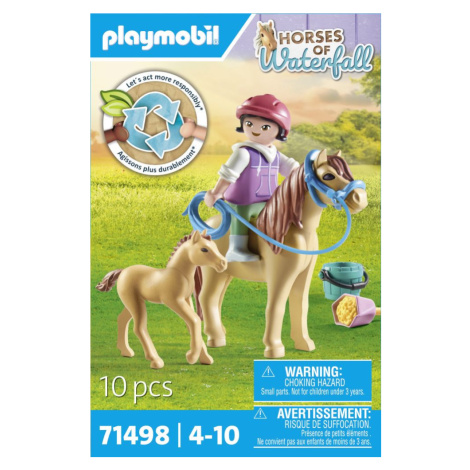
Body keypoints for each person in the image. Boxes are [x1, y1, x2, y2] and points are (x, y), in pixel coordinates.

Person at [204, 94, 299, 262]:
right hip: (242, 201)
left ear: (280, 130)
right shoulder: (243, 153)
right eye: (249, 123)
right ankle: (236, 248)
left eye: (265, 127)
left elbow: (292, 169)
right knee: (242, 215)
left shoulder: (275, 155)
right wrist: (217, 192)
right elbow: (228, 175)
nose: (255, 129)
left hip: (267, 201)